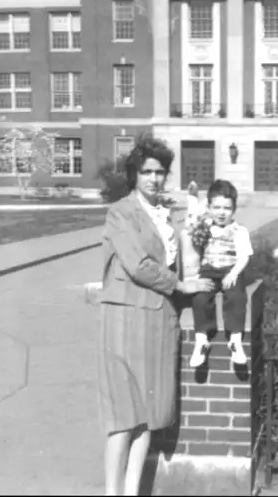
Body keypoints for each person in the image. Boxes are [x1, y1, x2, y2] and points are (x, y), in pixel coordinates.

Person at [97, 136, 214, 495]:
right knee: (122, 418)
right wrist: (181, 285)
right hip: (125, 319)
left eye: (160, 172)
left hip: (158, 319)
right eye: (146, 172)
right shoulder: (120, 212)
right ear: (134, 174)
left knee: (146, 416)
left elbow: (179, 258)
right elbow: (138, 265)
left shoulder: (167, 214)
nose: (154, 178)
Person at [187, 179, 252, 368]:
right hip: (209, 269)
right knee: (200, 296)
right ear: (209, 207)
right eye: (216, 208)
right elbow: (191, 219)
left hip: (229, 269)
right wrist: (192, 197)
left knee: (236, 296)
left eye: (227, 208)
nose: (222, 213)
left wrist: (233, 274)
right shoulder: (205, 225)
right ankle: (201, 339)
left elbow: (244, 257)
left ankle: (235, 339)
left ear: (234, 209)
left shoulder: (239, 231)